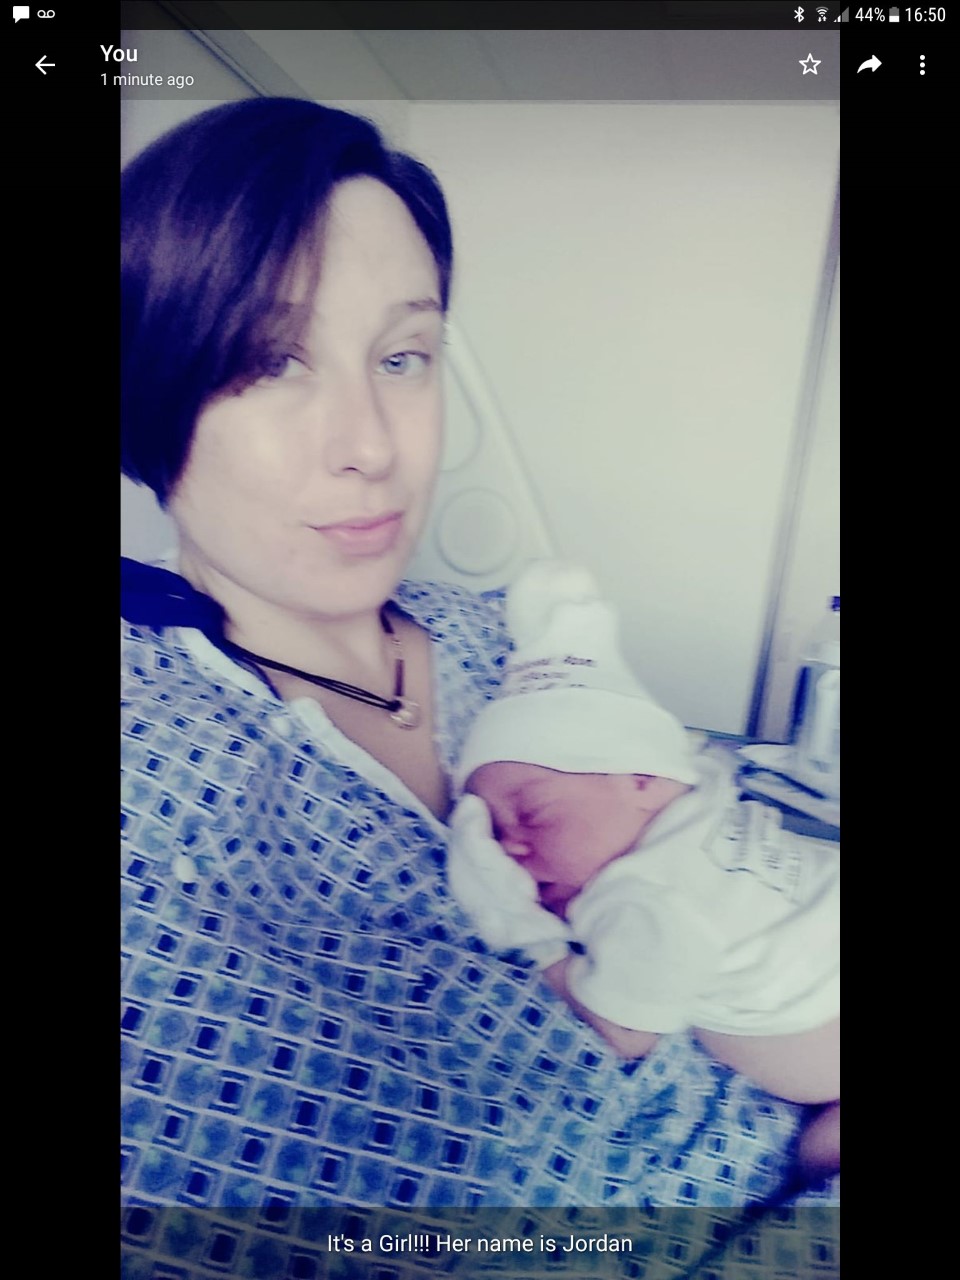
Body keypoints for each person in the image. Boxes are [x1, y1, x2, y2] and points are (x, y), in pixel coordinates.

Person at [121, 98, 829, 1245]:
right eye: (270, 360)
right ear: (152, 387)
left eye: (404, 355)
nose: (374, 443)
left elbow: (706, 838)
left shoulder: (507, 635)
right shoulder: (154, 766)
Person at [448, 560, 841, 1181]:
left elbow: (622, 1032)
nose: (511, 848)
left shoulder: (641, 895)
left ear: (641, 779)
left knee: (819, 1156)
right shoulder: (705, 796)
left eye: (531, 812)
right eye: (494, 835)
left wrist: (523, 929)